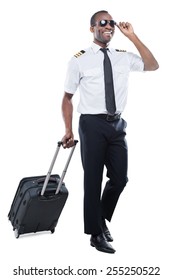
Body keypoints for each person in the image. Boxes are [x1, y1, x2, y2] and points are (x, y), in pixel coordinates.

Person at [61, 10, 159, 254]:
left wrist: (133, 37)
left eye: (112, 23)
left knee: (120, 178)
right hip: (91, 125)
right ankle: (95, 234)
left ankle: (101, 218)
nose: (109, 27)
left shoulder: (122, 57)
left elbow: (153, 65)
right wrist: (68, 129)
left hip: (116, 125)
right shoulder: (79, 60)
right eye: (103, 23)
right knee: (92, 181)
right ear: (92, 28)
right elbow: (67, 98)